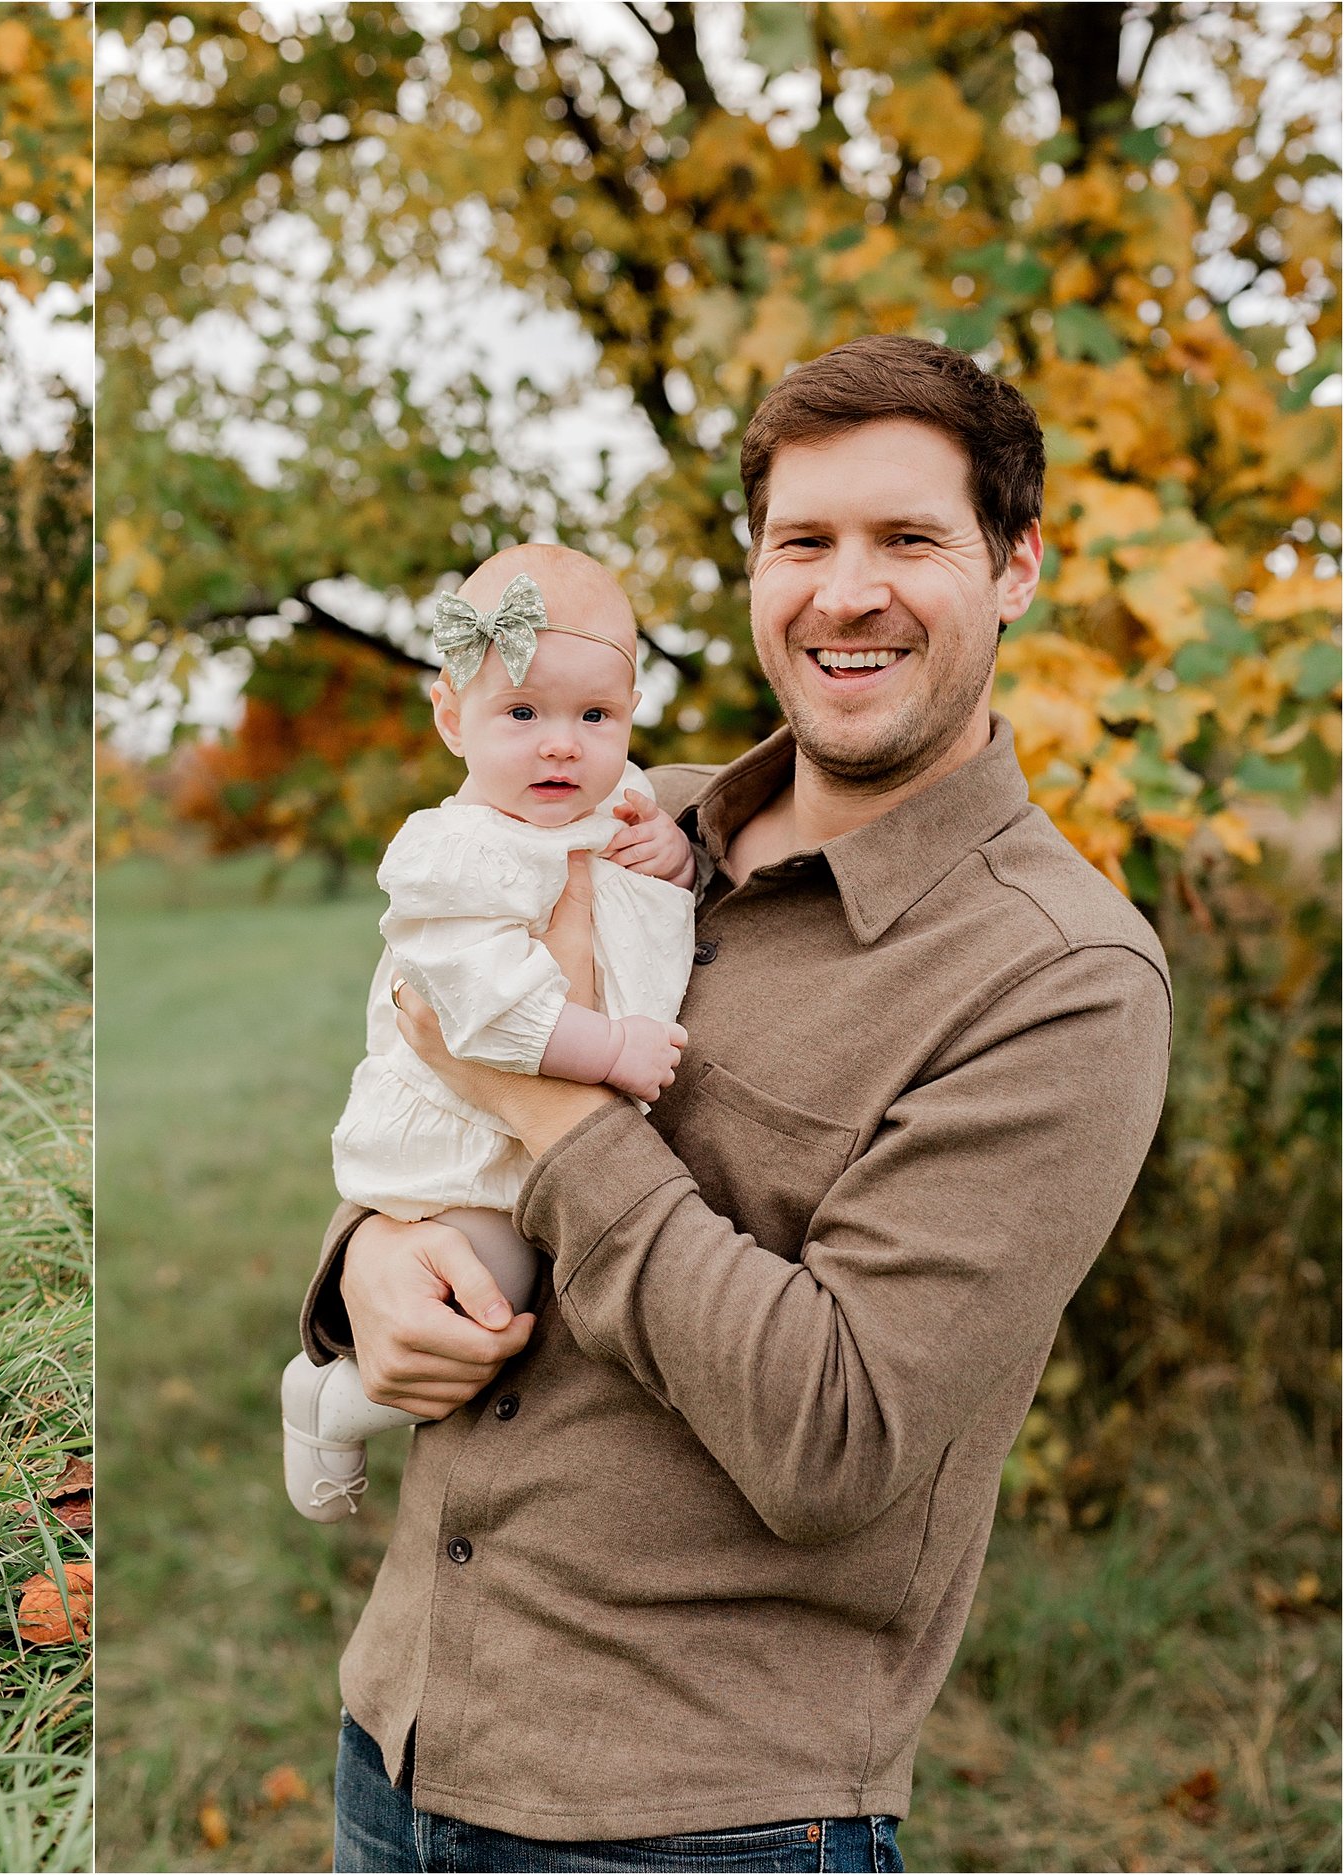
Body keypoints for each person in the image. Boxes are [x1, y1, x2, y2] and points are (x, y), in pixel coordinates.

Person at [303, 335, 1172, 1872]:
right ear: (756, 570)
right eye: (804, 542)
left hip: (700, 1817)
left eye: (910, 538)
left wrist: (564, 1117)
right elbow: (422, 1058)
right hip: (403, 1736)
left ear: (1017, 565)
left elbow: (837, 1436)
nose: (848, 591)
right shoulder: (610, 814)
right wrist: (365, 1254)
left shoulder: (1061, 976)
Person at [281, 545, 695, 1522]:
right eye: (521, 714)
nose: (562, 746)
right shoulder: (457, 854)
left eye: (594, 717)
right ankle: (330, 1402)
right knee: (484, 1306)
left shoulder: (615, 801)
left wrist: (669, 852)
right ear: (449, 717)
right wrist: (608, 1053)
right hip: (468, 1155)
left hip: (557, 1149)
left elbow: (644, 892)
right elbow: (479, 1007)